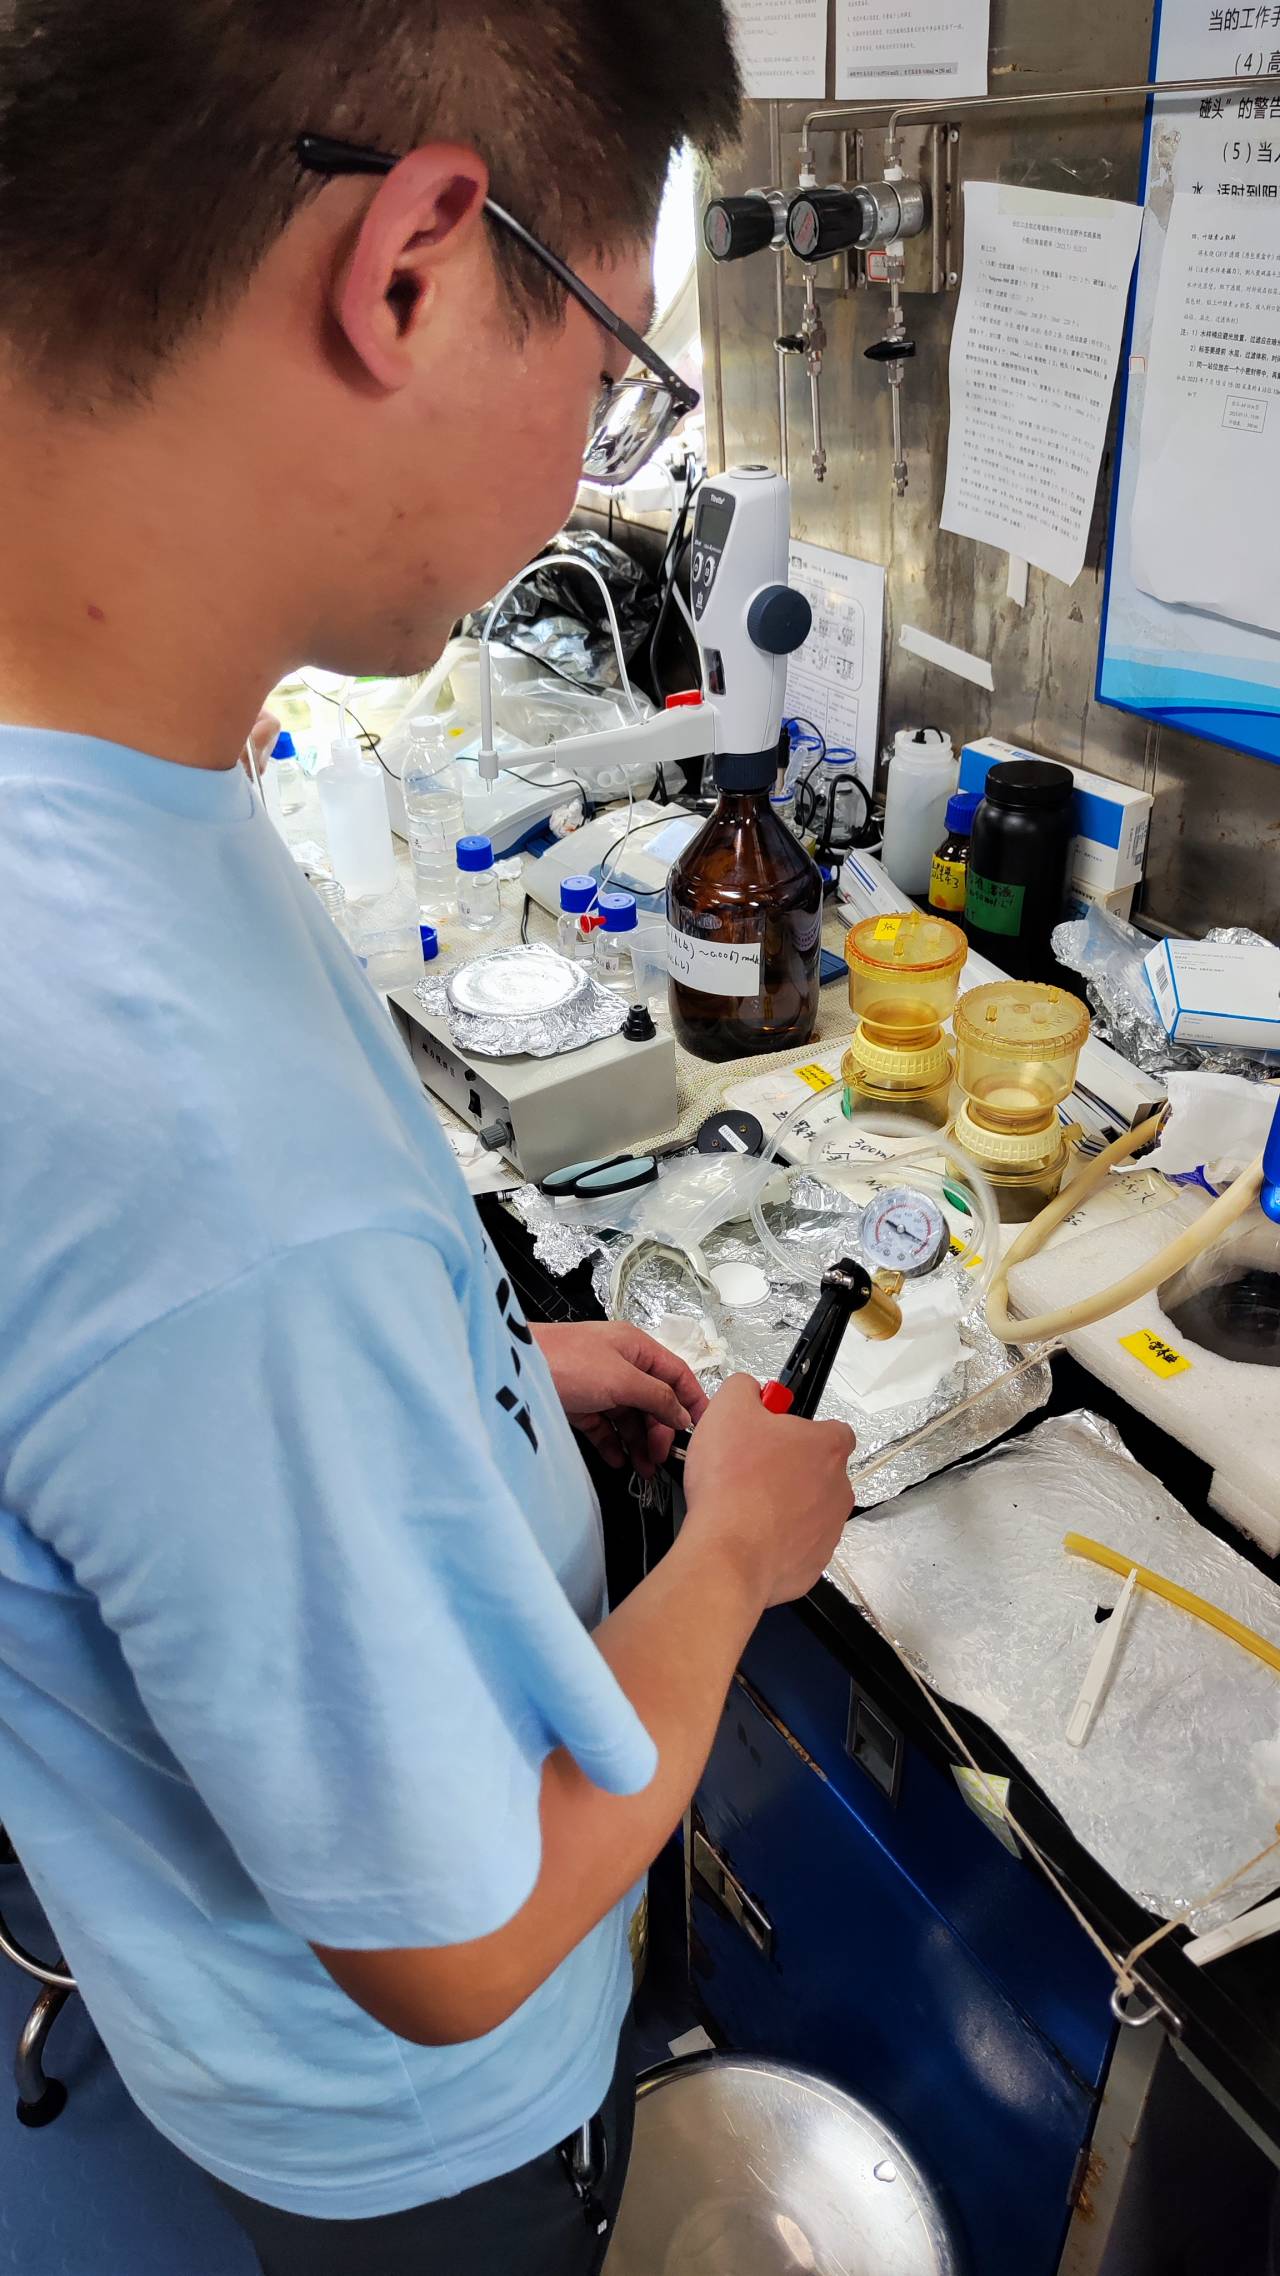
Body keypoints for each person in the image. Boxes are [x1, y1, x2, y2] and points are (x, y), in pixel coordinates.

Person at [0, 5, 857, 2272]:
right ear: (412, 270)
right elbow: (453, 1944)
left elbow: (132, 1412)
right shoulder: (188, 1151)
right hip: (404, 2126)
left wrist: (462, 1379)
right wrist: (727, 1562)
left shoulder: (111, 782)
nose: (590, 462)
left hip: (205, 1988)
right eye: (611, 369)